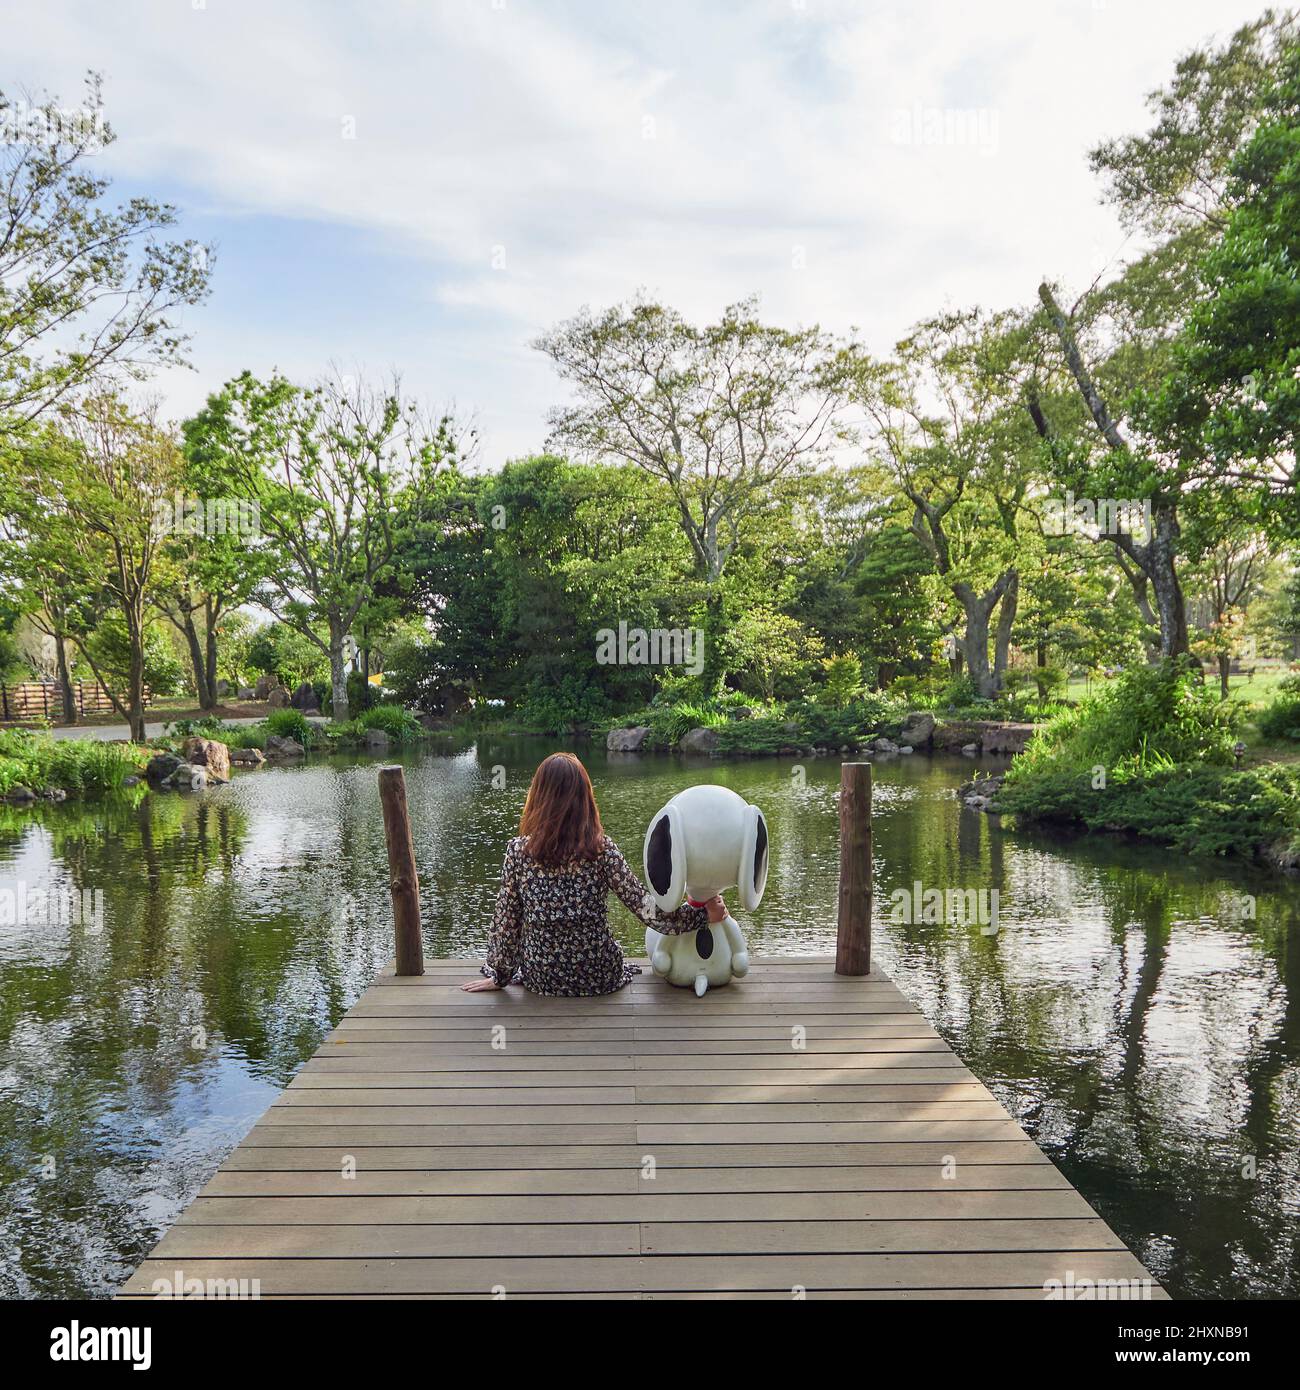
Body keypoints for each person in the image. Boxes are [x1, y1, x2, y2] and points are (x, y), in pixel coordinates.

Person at [461, 752, 725, 996]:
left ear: (538, 797)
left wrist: (500, 977)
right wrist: (702, 915)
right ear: (584, 798)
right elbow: (647, 910)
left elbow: (507, 922)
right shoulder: (600, 849)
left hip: (543, 976)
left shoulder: (519, 852)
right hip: (599, 975)